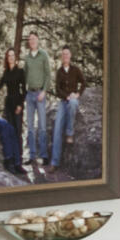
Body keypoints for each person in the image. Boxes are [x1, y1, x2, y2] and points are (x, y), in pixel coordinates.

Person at [20, 27, 55, 180]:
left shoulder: (43, 55)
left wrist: (44, 91)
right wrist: (24, 93)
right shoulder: (27, 58)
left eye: (34, 39)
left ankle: (44, 156)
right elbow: (25, 76)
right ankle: (32, 156)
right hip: (30, 94)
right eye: (30, 39)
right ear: (29, 42)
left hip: (40, 94)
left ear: (38, 40)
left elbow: (48, 75)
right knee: (29, 126)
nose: (32, 41)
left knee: (41, 126)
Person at [51, 43, 84, 171]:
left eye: (67, 54)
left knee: (73, 104)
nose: (65, 56)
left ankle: (70, 133)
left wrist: (77, 94)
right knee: (57, 128)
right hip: (63, 102)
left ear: (70, 56)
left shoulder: (75, 69)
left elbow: (84, 83)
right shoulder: (59, 72)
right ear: (61, 56)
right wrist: (66, 96)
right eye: (63, 54)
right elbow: (57, 89)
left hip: (73, 101)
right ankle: (54, 163)